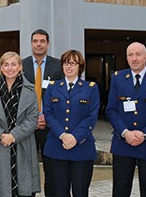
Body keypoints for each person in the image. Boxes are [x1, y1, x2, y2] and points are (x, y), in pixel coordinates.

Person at [106, 42, 146, 197]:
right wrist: (125, 132)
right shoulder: (118, 78)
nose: (134, 58)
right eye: (130, 55)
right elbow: (112, 110)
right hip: (123, 143)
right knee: (120, 189)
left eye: (138, 54)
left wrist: (145, 134)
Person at [0, 51, 40, 197]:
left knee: (24, 188)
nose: (10, 68)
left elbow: (32, 119)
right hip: (1, 144)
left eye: (14, 64)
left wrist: (13, 136)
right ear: (1, 67)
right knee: (4, 188)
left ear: (20, 67)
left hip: (23, 143)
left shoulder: (30, 90)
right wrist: (1, 135)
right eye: (5, 64)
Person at [43, 49, 99, 197]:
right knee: (59, 192)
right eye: (66, 63)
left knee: (80, 192)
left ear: (80, 67)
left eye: (73, 63)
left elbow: (91, 117)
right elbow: (49, 114)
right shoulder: (53, 87)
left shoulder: (91, 88)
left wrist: (74, 137)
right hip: (57, 146)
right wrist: (63, 135)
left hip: (82, 148)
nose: (69, 66)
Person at [21, 29, 63, 196]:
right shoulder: (21, 65)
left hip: (50, 126)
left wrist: (48, 117)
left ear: (47, 44)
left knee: (51, 168)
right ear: (31, 43)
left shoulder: (57, 66)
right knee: (27, 168)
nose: (38, 44)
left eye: (42, 41)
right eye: (35, 41)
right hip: (26, 126)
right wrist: (31, 119)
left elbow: (61, 96)